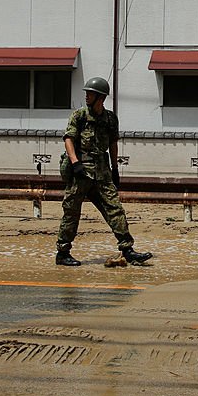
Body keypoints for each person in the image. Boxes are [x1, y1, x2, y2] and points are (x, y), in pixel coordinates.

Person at [55, 77, 153, 267]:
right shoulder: (79, 116)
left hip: (102, 172)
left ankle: (127, 250)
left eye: (90, 94)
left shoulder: (109, 119)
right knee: (71, 212)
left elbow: (113, 143)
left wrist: (115, 169)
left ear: (100, 97)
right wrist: (75, 162)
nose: (86, 96)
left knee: (115, 209)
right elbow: (68, 139)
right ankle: (63, 252)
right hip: (81, 173)